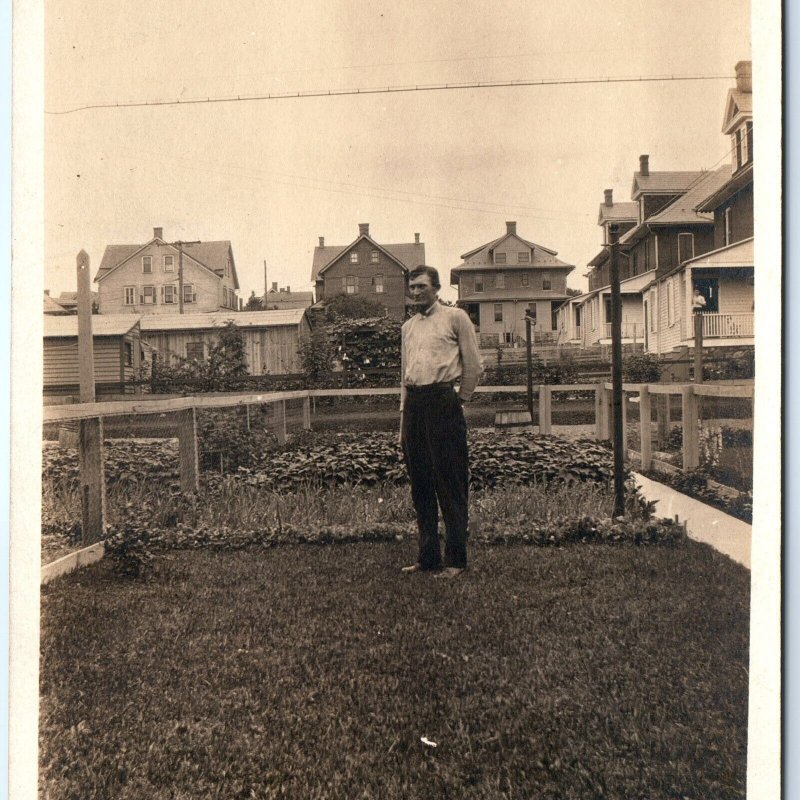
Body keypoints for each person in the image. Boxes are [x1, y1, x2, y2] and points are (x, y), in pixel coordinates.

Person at [399, 265, 483, 579]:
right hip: (414, 406)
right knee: (420, 485)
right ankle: (428, 557)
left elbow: (474, 363)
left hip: (443, 401)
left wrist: (460, 400)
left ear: (435, 288)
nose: (416, 292)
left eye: (422, 286)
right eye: (412, 287)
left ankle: (456, 561)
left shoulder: (455, 317)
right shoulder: (407, 327)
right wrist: (402, 423)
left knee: (450, 482)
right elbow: (404, 377)